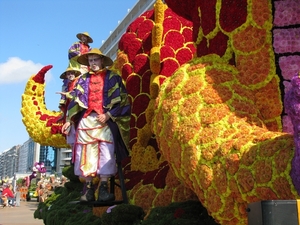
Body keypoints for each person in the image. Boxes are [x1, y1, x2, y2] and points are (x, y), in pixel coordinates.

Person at [61, 48, 131, 202]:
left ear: (101, 60)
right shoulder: (82, 80)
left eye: (95, 60)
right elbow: (75, 101)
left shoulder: (113, 78)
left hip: (105, 122)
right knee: (86, 153)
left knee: (106, 151)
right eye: (90, 61)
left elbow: (124, 99)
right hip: (87, 121)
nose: (93, 63)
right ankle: (89, 190)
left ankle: (104, 188)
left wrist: (108, 114)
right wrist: (68, 120)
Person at [57, 67, 81, 149]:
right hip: (69, 112)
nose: (70, 75)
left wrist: (67, 94)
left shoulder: (79, 83)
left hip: (78, 112)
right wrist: (63, 115)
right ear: (66, 76)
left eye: (72, 73)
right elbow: (65, 103)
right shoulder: (67, 87)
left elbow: (78, 95)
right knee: (72, 142)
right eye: (68, 74)